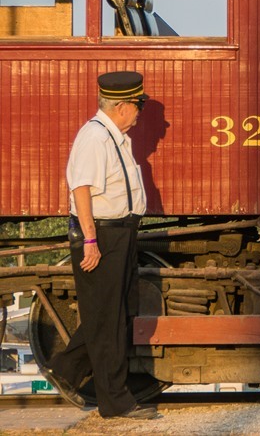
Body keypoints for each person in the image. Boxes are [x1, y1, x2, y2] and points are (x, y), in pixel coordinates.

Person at [45, 71, 160, 420]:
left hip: (120, 234)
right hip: (103, 236)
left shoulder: (115, 137)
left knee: (119, 312)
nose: (140, 112)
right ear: (122, 106)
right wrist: (91, 240)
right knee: (107, 320)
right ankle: (116, 402)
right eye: (138, 105)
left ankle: (65, 369)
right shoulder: (94, 137)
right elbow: (80, 189)